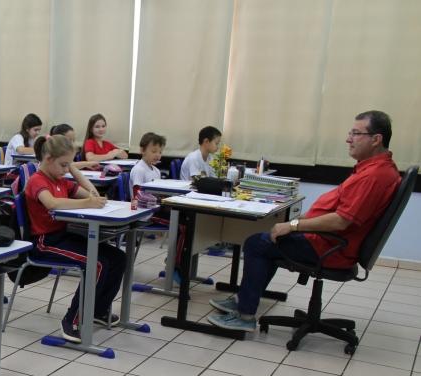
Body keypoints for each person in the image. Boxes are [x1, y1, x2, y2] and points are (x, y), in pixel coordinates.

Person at [208, 110, 401, 332]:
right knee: (269, 241)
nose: (348, 139)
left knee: (257, 243)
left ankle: (245, 316)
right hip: (330, 242)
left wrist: (293, 225)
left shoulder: (374, 176)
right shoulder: (376, 168)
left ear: (376, 139)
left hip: (329, 247)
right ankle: (244, 299)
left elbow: (341, 221)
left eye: (356, 133)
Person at [25, 135, 125, 342]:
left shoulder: (61, 180)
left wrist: (73, 169)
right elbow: (51, 203)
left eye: (68, 165)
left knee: (118, 258)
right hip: (45, 242)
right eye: (63, 165)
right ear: (48, 159)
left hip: (63, 236)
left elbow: (92, 194)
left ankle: (97, 310)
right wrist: (87, 203)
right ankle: (72, 320)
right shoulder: (37, 180)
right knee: (97, 264)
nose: (65, 170)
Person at [129, 132, 166, 196]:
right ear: (142, 150)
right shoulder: (139, 170)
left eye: (160, 152)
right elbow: (137, 195)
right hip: (142, 202)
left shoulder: (157, 171)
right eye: (154, 151)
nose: (157, 155)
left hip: (154, 201)